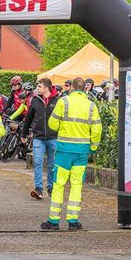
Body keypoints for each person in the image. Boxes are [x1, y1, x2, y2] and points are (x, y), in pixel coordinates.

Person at [41, 77, 101, 231]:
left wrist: (63, 128)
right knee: (76, 185)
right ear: (85, 89)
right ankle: (73, 221)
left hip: (64, 151)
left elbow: (52, 123)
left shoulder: (63, 101)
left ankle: (53, 221)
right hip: (81, 152)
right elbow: (96, 130)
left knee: (59, 184)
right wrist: (93, 147)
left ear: (72, 88)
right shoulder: (91, 105)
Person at [21, 78, 59, 200]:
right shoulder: (35, 100)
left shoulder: (57, 100)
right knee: (37, 162)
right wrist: (23, 134)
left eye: (39, 86)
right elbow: (28, 118)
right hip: (38, 137)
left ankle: (51, 187)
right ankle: (38, 189)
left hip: (53, 137)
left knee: (52, 164)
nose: (37, 88)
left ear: (46, 88)